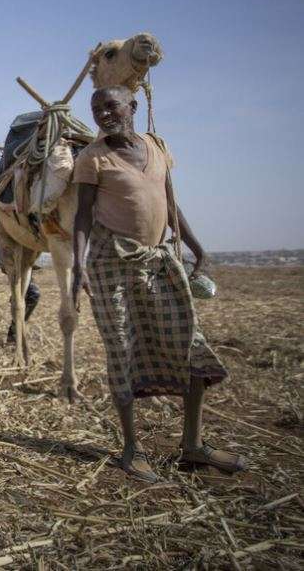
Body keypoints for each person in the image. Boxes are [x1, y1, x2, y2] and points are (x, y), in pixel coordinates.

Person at [72, 86, 245, 483]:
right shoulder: (91, 159)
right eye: (96, 109)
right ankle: (132, 450)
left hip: (159, 262)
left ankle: (193, 446)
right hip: (111, 266)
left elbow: (170, 203)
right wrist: (77, 266)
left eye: (111, 105)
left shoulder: (157, 146)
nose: (103, 114)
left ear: (133, 106)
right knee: (123, 351)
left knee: (192, 347)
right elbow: (82, 217)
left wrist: (195, 245)